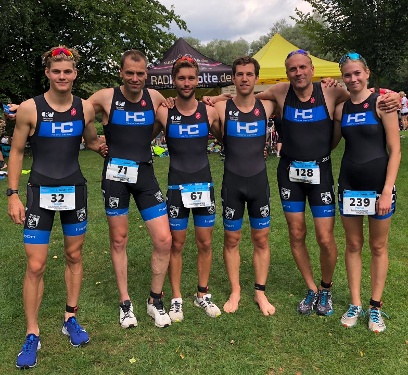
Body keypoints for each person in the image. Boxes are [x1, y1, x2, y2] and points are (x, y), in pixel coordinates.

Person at [7, 46, 106, 369]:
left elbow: (91, 140)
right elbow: (17, 151)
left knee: (74, 255)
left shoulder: (85, 108)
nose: (62, 76)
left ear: (75, 74)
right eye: (56, 71)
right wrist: (12, 194)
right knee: (35, 265)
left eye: (67, 71)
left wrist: (105, 147)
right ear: (48, 73)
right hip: (40, 192)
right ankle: (32, 332)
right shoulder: (29, 109)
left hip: (74, 189)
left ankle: (70, 317)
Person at [87, 50, 172, 328]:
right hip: (115, 177)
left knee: (163, 239)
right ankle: (125, 303)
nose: (135, 78)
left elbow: (166, 119)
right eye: (130, 73)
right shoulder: (105, 97)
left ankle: (155, 300)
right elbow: (77, 111)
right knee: (119, 239)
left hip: (145, 174)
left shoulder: (155, 98)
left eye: (140, 73)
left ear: (147, 74)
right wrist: (94, 143)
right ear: (121, 73)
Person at [333, 52, 400, 332]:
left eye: (357, 73)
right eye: (347, 75)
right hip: (349, 184)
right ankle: (355, 303)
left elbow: (395, 151)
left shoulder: (383, 104)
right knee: (353, 245)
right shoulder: (341, 109)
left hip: (378, 187)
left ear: (367, 73)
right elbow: (331, 143)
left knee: (378, 246)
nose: (353, 79)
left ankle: (375, 306)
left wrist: (386, 191)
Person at [154, 54, 222, 322]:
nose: (186, 82)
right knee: (177, 244)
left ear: (198, 80)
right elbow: (139, 137)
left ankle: (202, 294)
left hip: (204, 184)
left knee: (205, 242)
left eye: (191, 77)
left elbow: (226, 135)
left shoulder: (209, 111)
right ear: (174, 80)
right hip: (176, 187)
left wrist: (219, 99)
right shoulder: (164, 111)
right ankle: (176, 298)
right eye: (181, 78)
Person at [213, 56, 276, 316]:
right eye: (239, 74)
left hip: (258, 182)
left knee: (261, 239)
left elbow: (295, 91)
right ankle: (236, 290)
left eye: (249, 74)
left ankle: (260, 292)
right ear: (233, 78)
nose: (244, 78)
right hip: (233, 183)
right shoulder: (221, 109)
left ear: (256, 78)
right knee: (232, 238)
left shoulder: (268, 106)